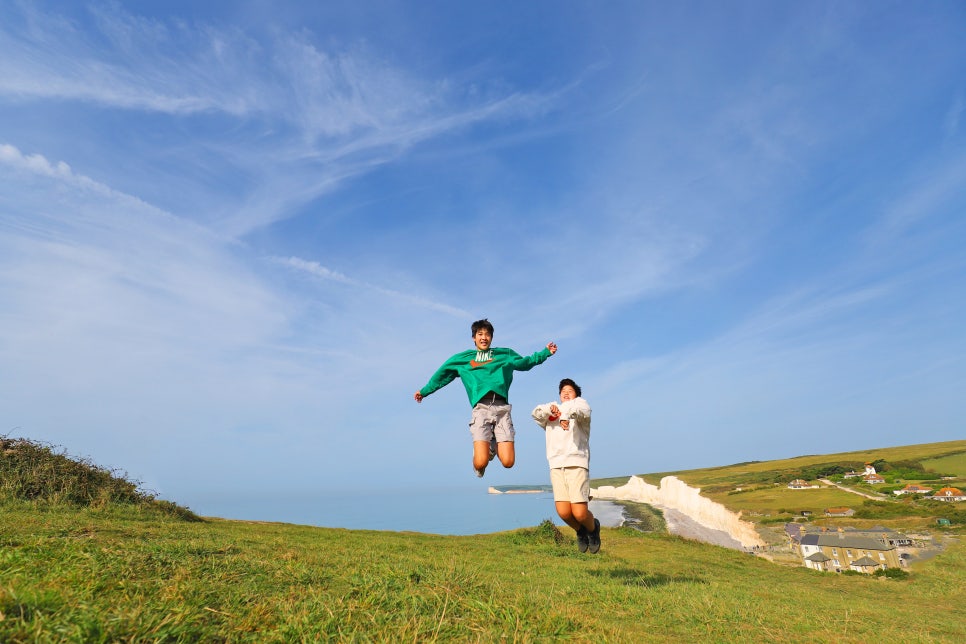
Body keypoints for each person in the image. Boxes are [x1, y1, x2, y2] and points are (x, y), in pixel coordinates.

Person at [415, 319, 557, 477]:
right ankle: (486, 449)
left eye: (487, 334)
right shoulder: (464, 359)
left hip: (502, 409)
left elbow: (525, 362)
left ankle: (492, 443)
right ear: (473, 338)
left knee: (508, 462)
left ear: (491, 338)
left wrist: (545, 353)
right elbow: (443, 373)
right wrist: (425, 391)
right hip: (481, 409)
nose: (484, 337)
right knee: (480, 462)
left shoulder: (504, 354)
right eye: (480, 334)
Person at [531, 378, 600, 553]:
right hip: (556, 465)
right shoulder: (552, 412)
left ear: (576, 393)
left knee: (579, 513)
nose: (566, 393)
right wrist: (551, 410)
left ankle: (593, 529)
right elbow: (536, 414)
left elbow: (582, 411)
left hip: (576, 464)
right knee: (563, 513)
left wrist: (565, 413)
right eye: (563, 391)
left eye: (570, 390)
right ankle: (580, 531)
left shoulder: (580, 406)